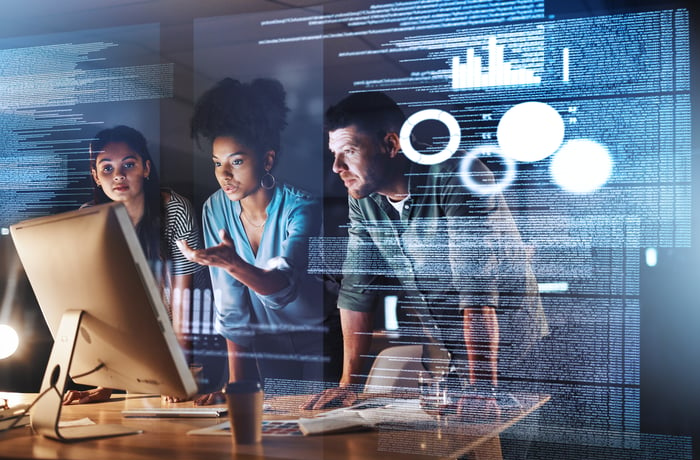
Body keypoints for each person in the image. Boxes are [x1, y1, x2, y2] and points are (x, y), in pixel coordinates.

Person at [304, 91, 549, 414]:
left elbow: (476, 295)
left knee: (509, 454)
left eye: (349, 150)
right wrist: (349, 385)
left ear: (391, 145)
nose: (337, 167)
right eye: (334, 153)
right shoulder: (362, 196)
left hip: (513, 355)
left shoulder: (459, 176)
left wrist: (482, 387)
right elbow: (356, 291)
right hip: (449, 358)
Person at [179, 78, 339, 404]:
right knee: (274, 436)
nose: (225, 174)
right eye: (217, 163)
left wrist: (234, 264)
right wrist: (235, 387)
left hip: (316, 342)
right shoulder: (215, 208)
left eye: (236, 161)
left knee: (315, 435)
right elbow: (231, 306)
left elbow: (282, 287)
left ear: (267, 160)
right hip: (265, 346)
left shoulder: (301, 206)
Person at [63, 125, 203, 405]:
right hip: (126, 353)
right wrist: (104, 386)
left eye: (129, 164)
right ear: (96, 176)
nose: (119, 175)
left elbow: (184, 307)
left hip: (184, 351)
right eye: (107, 168)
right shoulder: (87, 218)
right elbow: (101, 306)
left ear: (146, 169)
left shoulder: (175, 209)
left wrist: (175, 374)